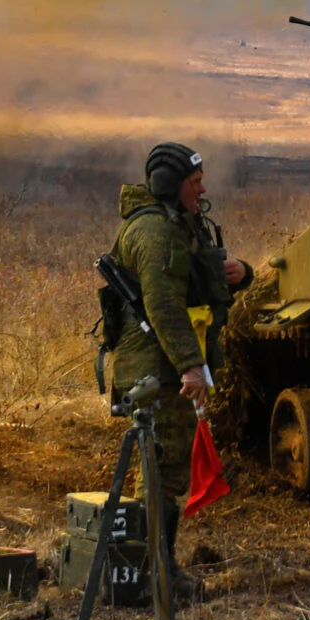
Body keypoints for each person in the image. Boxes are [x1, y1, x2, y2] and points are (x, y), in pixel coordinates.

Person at [109, 141, 249, 575]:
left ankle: (154, 566)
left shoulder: (182, 224)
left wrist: (244, 274)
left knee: (165, 466)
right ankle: (153, 571)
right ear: (172, 185)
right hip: (158, 368)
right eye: (194, 180)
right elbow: (163, 306)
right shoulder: (154, 232)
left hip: (170, 364)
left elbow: (195, 287)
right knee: (161, 467)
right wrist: (191, 364)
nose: (202, 186)